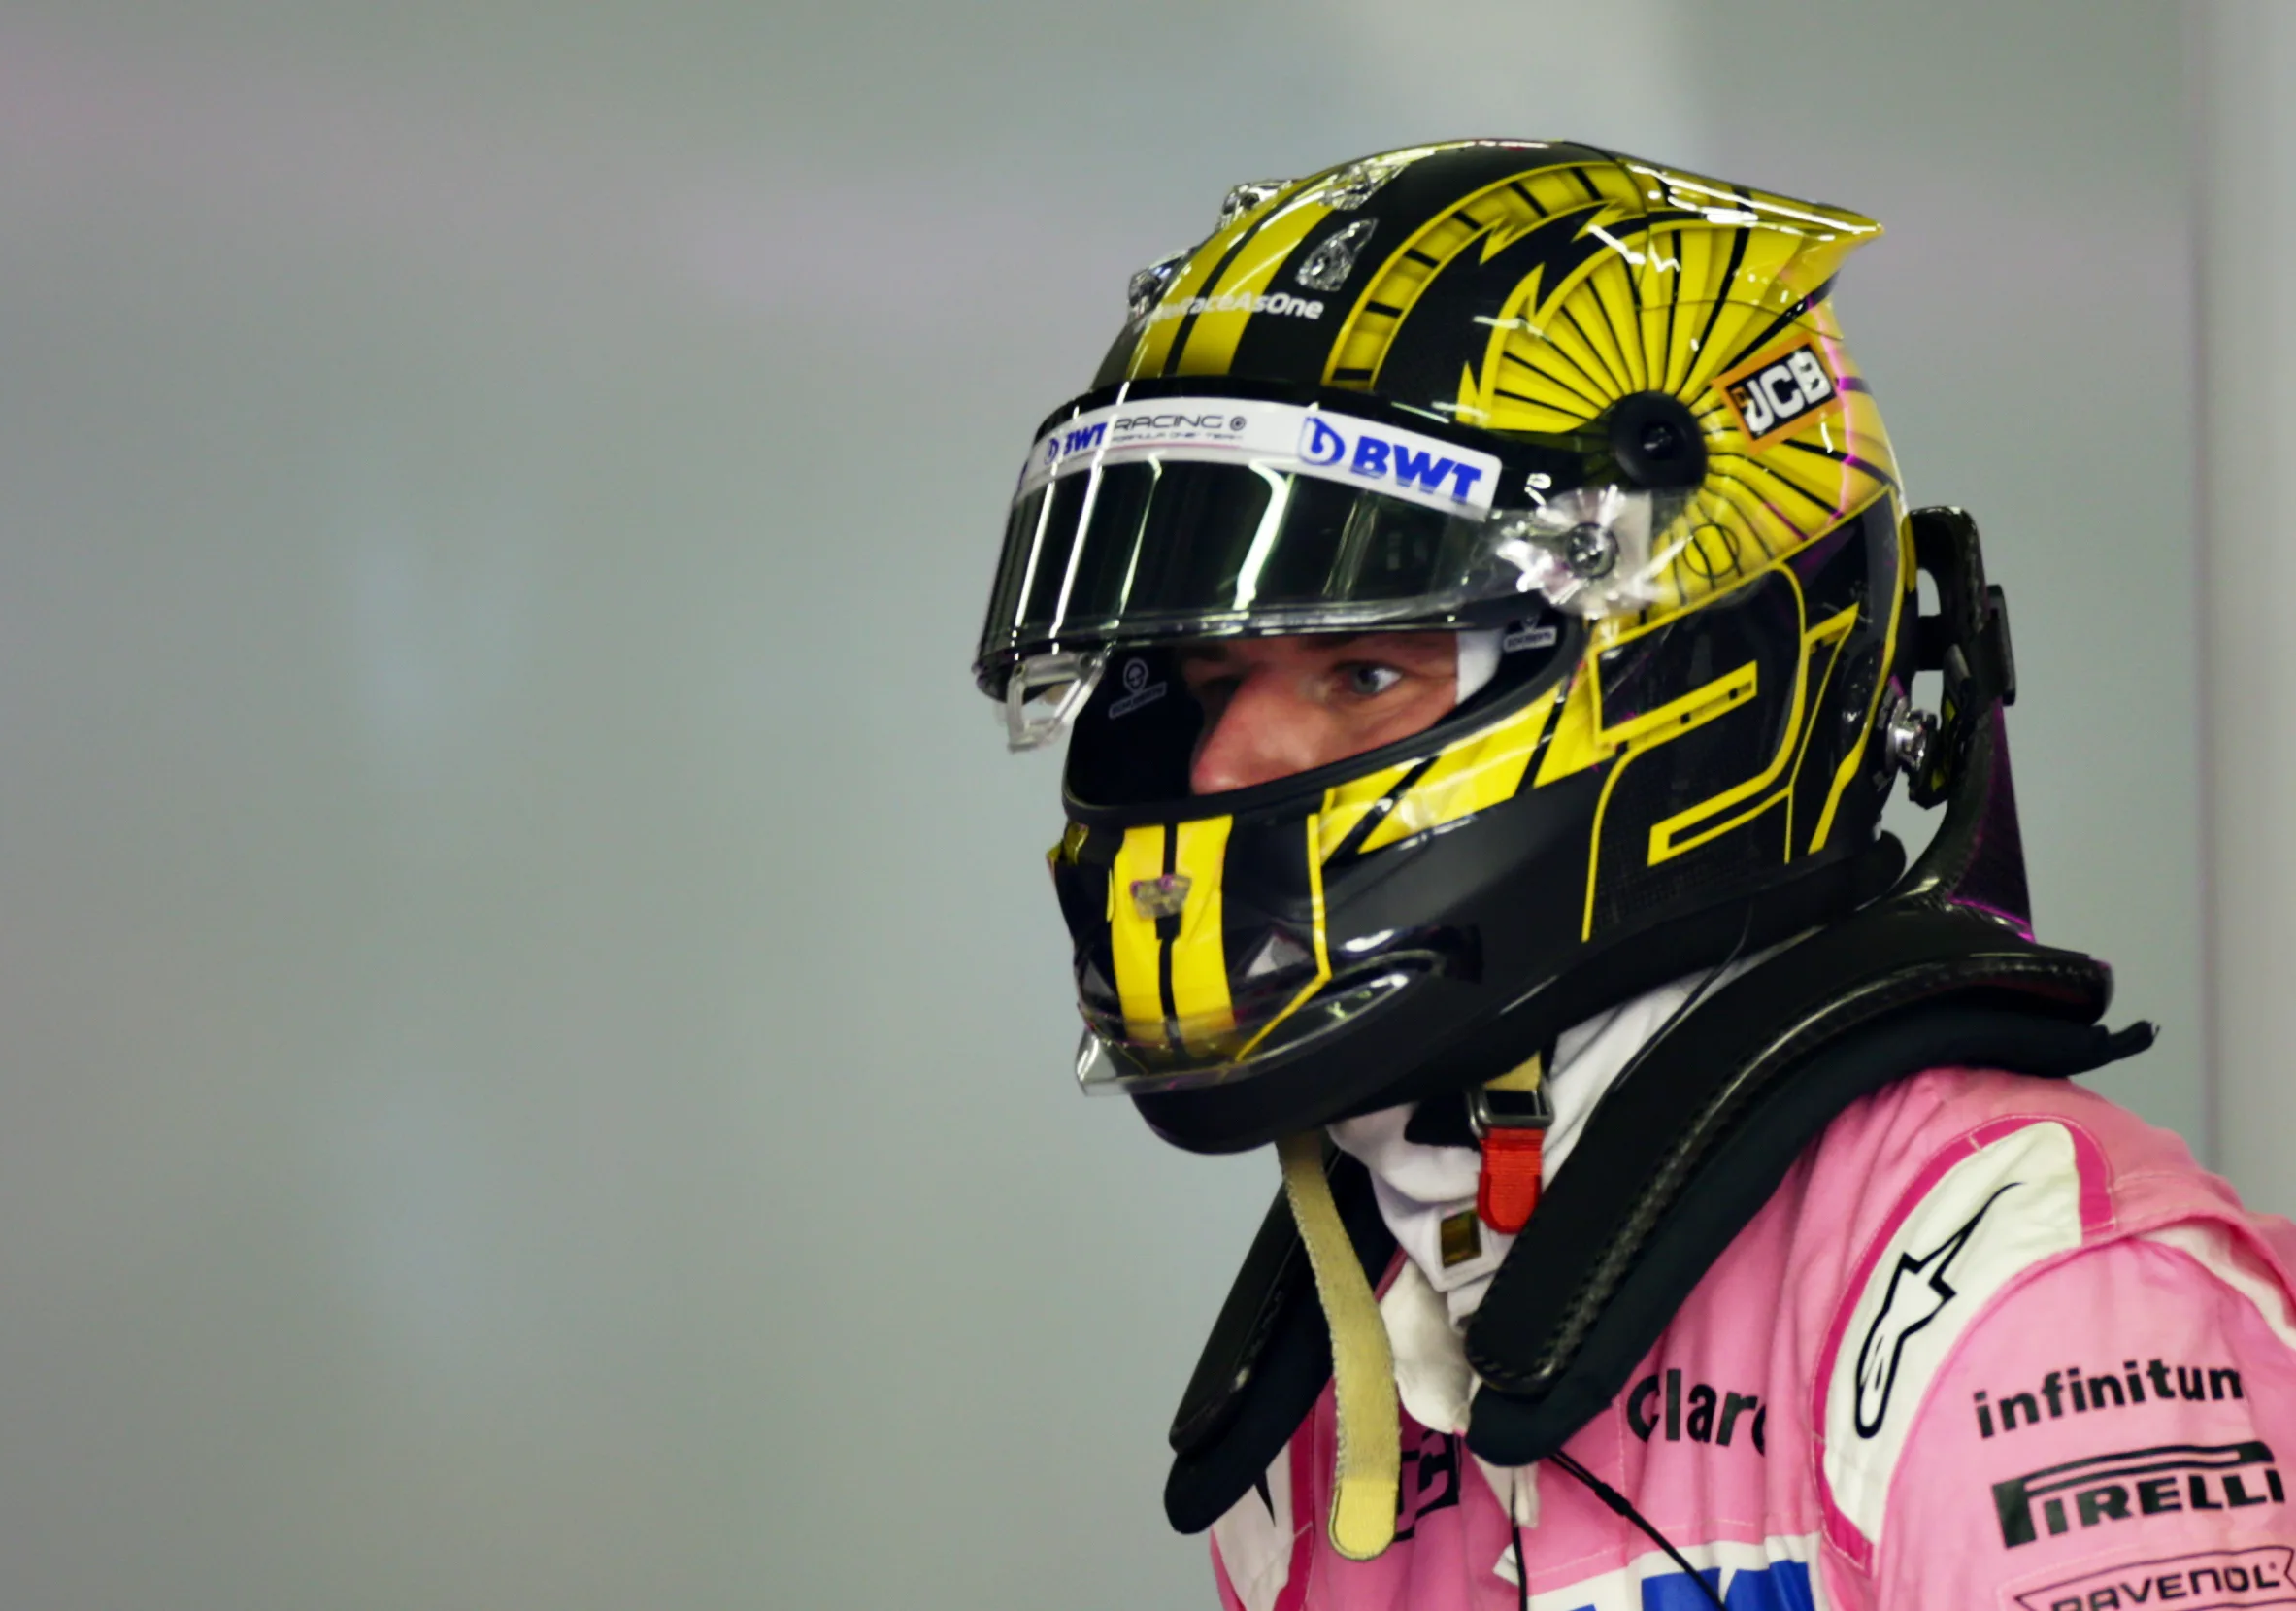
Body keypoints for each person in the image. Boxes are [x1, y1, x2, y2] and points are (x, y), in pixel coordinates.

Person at [972, 140, 2296, 1609]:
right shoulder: (1350, 1384)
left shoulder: (2020, 1302)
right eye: (1210, 682)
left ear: (1687, 668)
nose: (1222, 763)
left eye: (1361, 667)